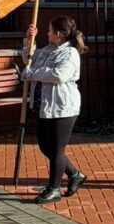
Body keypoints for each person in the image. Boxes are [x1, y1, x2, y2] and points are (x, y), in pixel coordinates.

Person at [20, 16, 88, 205]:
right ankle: (74, 174)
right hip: (44, 105)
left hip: (63, 106)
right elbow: (28, 60)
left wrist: (32, 74)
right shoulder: (47, 50)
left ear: (58, 34)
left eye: (49, 30)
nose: (47, 33)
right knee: (45, 146)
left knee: (57, 148)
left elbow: (59, 75)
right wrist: (29, 40)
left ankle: (54, 189)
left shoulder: (70, 53)